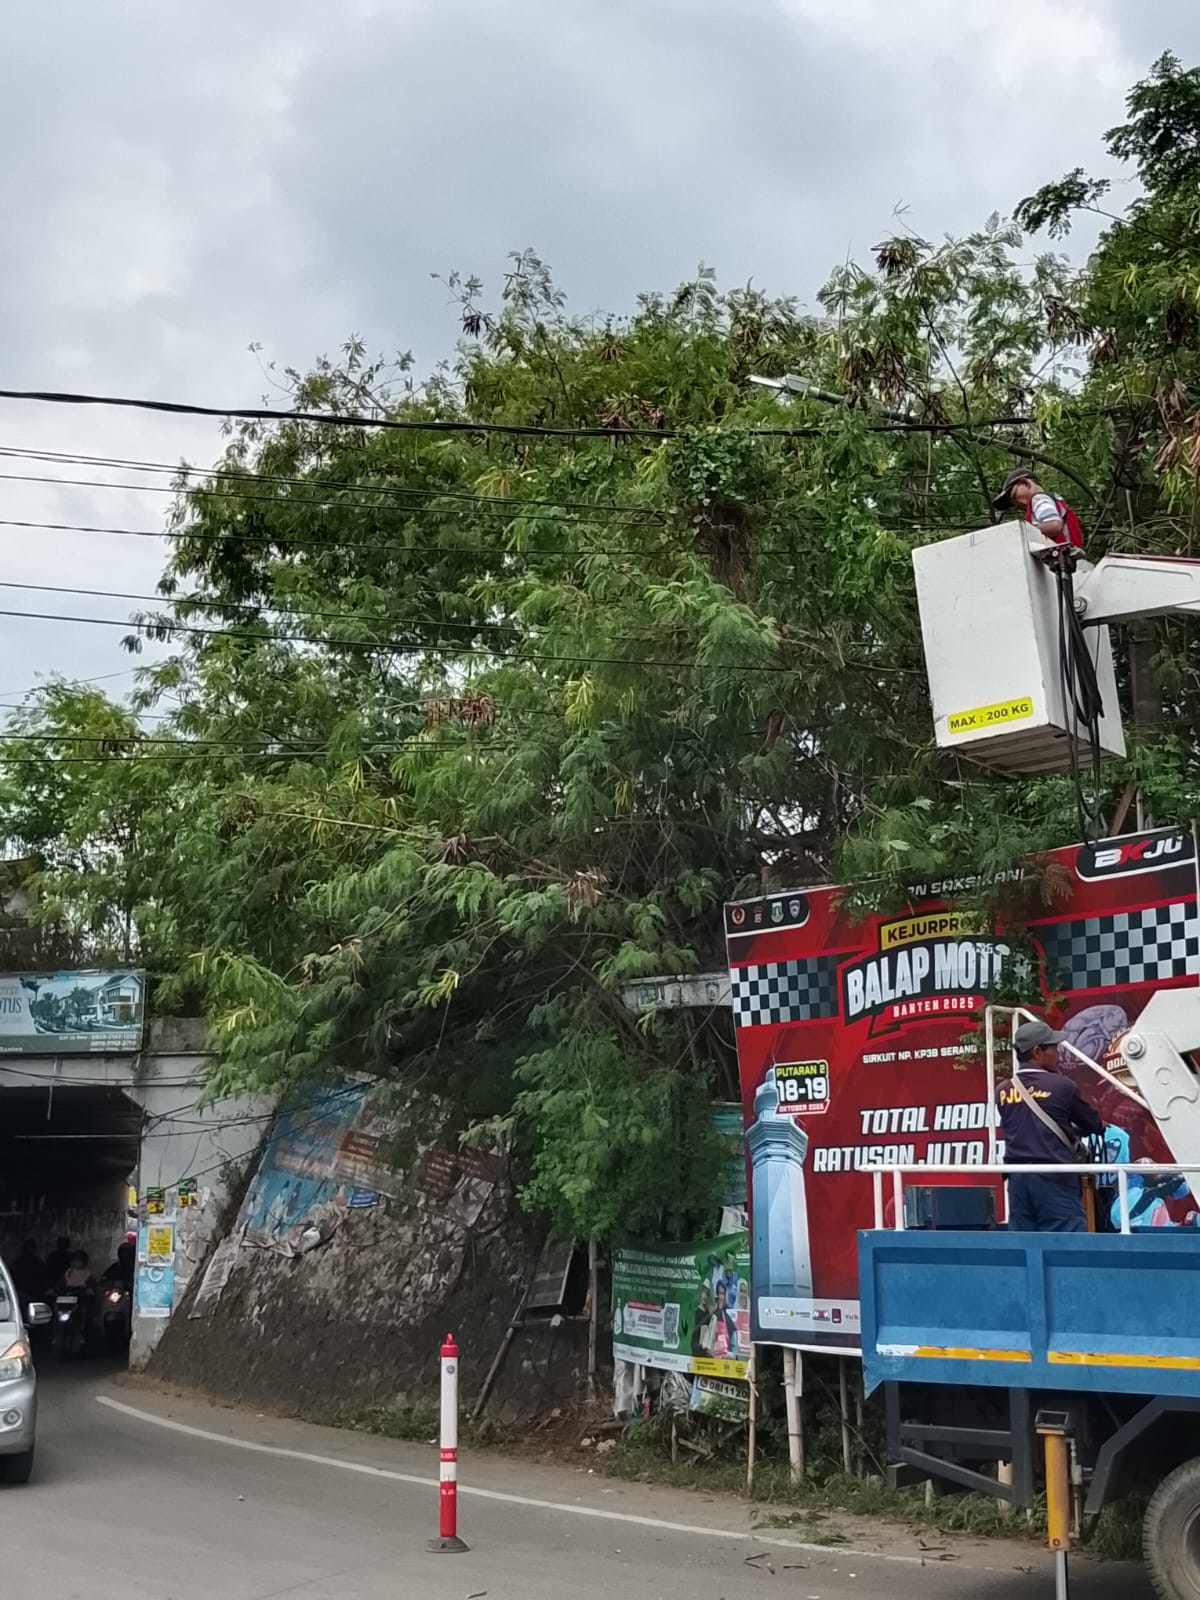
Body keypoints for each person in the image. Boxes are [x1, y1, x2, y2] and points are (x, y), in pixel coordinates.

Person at [996, 1017, 1103, 1232]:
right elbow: (1093, 1124)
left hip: (1017, 1181)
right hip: (1055, 1177)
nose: (1058, 1053)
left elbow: (1026, 1127)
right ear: (1037, 1052)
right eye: (1053, 1047)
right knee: (1067, 1244)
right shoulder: (1062, 1086)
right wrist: (1073, 1131)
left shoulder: (1002, 1090)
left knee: (1025, 1246)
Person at [992, 469, 1083, 549]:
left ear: (1026, 484)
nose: (1015, 505)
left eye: (1013, 496)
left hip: (1061, 557)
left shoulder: (1038, 499)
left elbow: (1054, 525)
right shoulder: (1052, 500)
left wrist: (1023, 532)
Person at [8, 1240, 46, 1305]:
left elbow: (44, 1278)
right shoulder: (18, 1263)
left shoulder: (38, 1263)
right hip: (22, 1294)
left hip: (35, 1294)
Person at [690, 1282, 714, 1357]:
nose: (704, 1296)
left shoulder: (708, 1312)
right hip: (697, 1346)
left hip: (706, 1347)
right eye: (703, 1293)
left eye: (707, 1294)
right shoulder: (696, 1311)